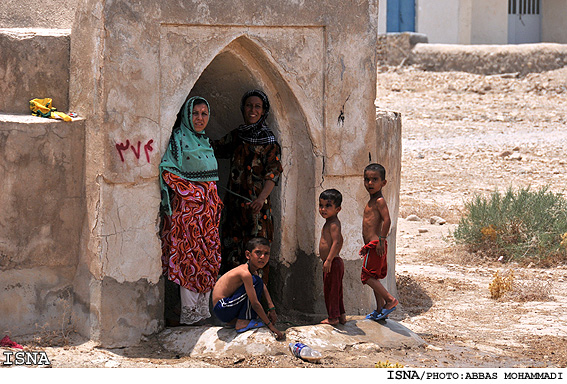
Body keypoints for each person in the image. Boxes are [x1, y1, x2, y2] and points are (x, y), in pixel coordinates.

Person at [159, 96, 223, 326]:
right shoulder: (179, 139)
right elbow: (168, 170)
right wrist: (194, 195)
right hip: (188, 216)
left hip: (208, 218)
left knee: (208, 258)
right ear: (186, 115)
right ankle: (189, 312)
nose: (199, 118)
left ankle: (201, 311)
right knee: (189, 260)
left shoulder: (204, 142)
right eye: (195, 113)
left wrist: (210, 201)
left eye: (204, 114)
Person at [213, 89, 283, 284]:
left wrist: (261, 199)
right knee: (232, 252)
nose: (252, 110)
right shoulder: (237, 136)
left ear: (263, 111)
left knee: (256, 254)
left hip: (256, 209)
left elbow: (273, 174)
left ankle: (256, 303)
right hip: (235, 207)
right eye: (249, 106)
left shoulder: (269, 142)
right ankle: (233, 303)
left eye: (257, 107)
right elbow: (215, 148)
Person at [212, 237, 284, 340]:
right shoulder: (245, 273)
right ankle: (243, 322)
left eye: (266, 253)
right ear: (248, 255)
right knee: (255, 282)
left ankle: (235, 321)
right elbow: (254, 303)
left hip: (226, 309)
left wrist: (271, 308)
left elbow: (262, 286)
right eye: (258, 252)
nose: (262, 257)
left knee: (257, 282)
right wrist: (271, 326)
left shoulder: (251, 271)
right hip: (222, 308)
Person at [360, 163, 399, 321]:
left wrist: (382, 240)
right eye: (367, 179)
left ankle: (390, 300)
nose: (370, 183)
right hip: (371, 246)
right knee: (374, 276)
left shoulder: (380, 201)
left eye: (374, 180)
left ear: (383, 183)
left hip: (376, 244)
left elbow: (387, 220)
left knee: (367, 277)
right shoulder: (371, 201)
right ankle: (379, 309)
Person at [318, 189, 346, 325]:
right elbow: (341, 239)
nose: (323, 209)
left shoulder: (334, 224)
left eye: (328, 206)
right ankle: (341, 316)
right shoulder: (329, 222)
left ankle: (333, 317)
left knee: (332, 290)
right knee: (336, 289)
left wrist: (329, 260)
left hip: (332, 263)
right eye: (321, 205)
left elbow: (336, 242)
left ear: (338, 209)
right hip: (333, 262)